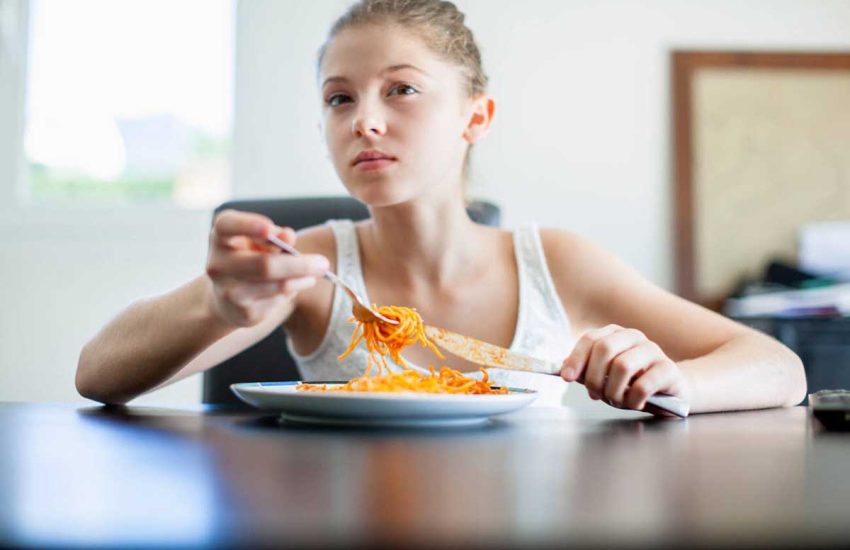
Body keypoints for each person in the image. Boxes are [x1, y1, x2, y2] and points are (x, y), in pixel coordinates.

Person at [76, 0, 806, 413]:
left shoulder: (555, 263)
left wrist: (676, 381)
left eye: (401, 89)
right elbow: (96, 377)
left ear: (475, 117)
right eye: (339, 98)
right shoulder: (310, 264)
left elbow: (778, 367)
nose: (364, 119)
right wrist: (218, 308)